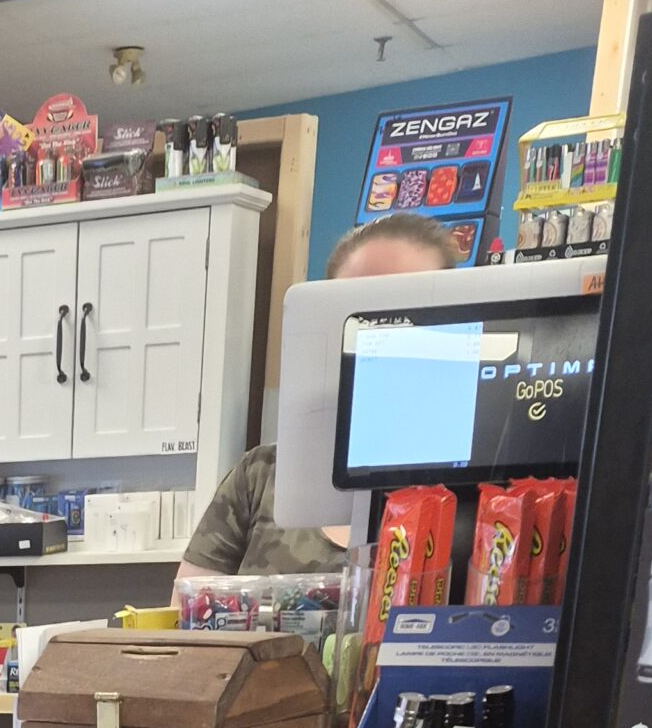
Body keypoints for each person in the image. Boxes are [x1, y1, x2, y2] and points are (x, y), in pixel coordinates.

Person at [174, 212, 458, 587]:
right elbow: (184, 617)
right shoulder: (262, 475)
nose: (379, 332)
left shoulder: (481, 494)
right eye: (357, 310)